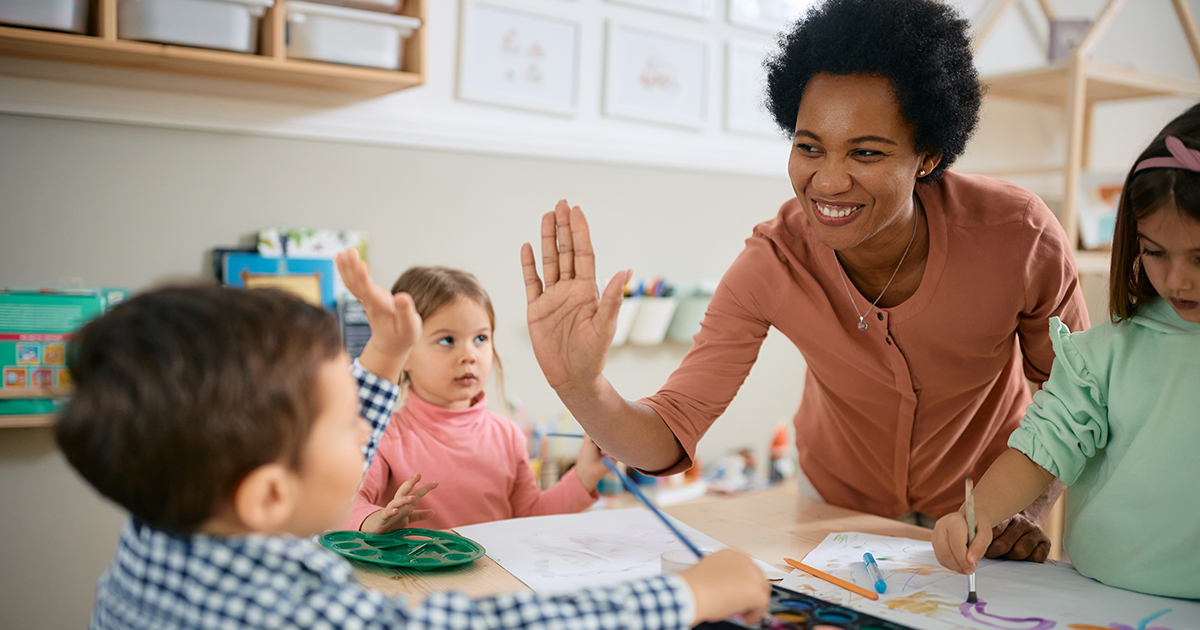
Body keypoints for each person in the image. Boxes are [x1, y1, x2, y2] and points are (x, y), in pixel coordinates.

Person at [521, 0, 1089, 561]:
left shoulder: (1018, 236)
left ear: (927, 157)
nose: (829, 181)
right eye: (808, 147)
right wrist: (582, 387)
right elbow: (670, 432)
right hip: (836, 507)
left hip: (983, 506)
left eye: (865, 153)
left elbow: (1074, 399)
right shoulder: (775, 260)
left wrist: (1022, 511)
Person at [55, 248, 771, 629]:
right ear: (270, 494)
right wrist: (683, 597)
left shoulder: (162, 525)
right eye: (348, 423)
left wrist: (378, 359)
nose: (367, 427)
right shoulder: (301, 616)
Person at [931, 105, 1200, 599]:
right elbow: (1040, 451)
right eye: (1155, 252)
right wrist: (978, 516)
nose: (1178, 280)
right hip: (1097, 597)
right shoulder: (1103, 355)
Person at [340, 265, 608, 533]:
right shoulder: (384, 435)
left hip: (497, 575)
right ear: (404, 354)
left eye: (480, 338)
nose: (469, 355)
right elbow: (348, 503)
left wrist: (584, 476)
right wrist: (373, 519)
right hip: (417, 577)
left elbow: (530, 518)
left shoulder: (508, 435)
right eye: (447, 340)